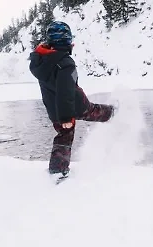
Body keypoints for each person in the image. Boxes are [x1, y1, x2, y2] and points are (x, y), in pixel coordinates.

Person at [29, 21, 115, 178]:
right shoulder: (65, 63)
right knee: (71, 130)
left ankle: (113, 113)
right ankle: (58, 171)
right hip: (71, 105)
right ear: (67, 40)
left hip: (55, 109)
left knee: (86, 117)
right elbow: (65, 91)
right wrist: (66, 118)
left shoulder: (42, 62)